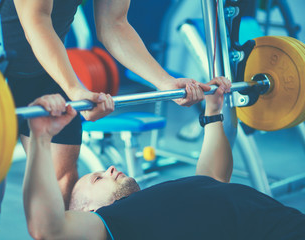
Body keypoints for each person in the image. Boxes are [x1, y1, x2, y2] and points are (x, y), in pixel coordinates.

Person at [23, 77, 305, 240]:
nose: (110, 168)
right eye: (97, 178)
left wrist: (214, 109)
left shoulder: (157, 206)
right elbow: (47, 228)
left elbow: (213, 178)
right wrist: (40, 139)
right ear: (87, 213)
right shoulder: (115, 223)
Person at [0, 0, 210, 207]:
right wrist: (75, 89)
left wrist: (164, 82)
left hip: (40, 74)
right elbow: (36, 21)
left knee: (61, 187)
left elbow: (114, 24)